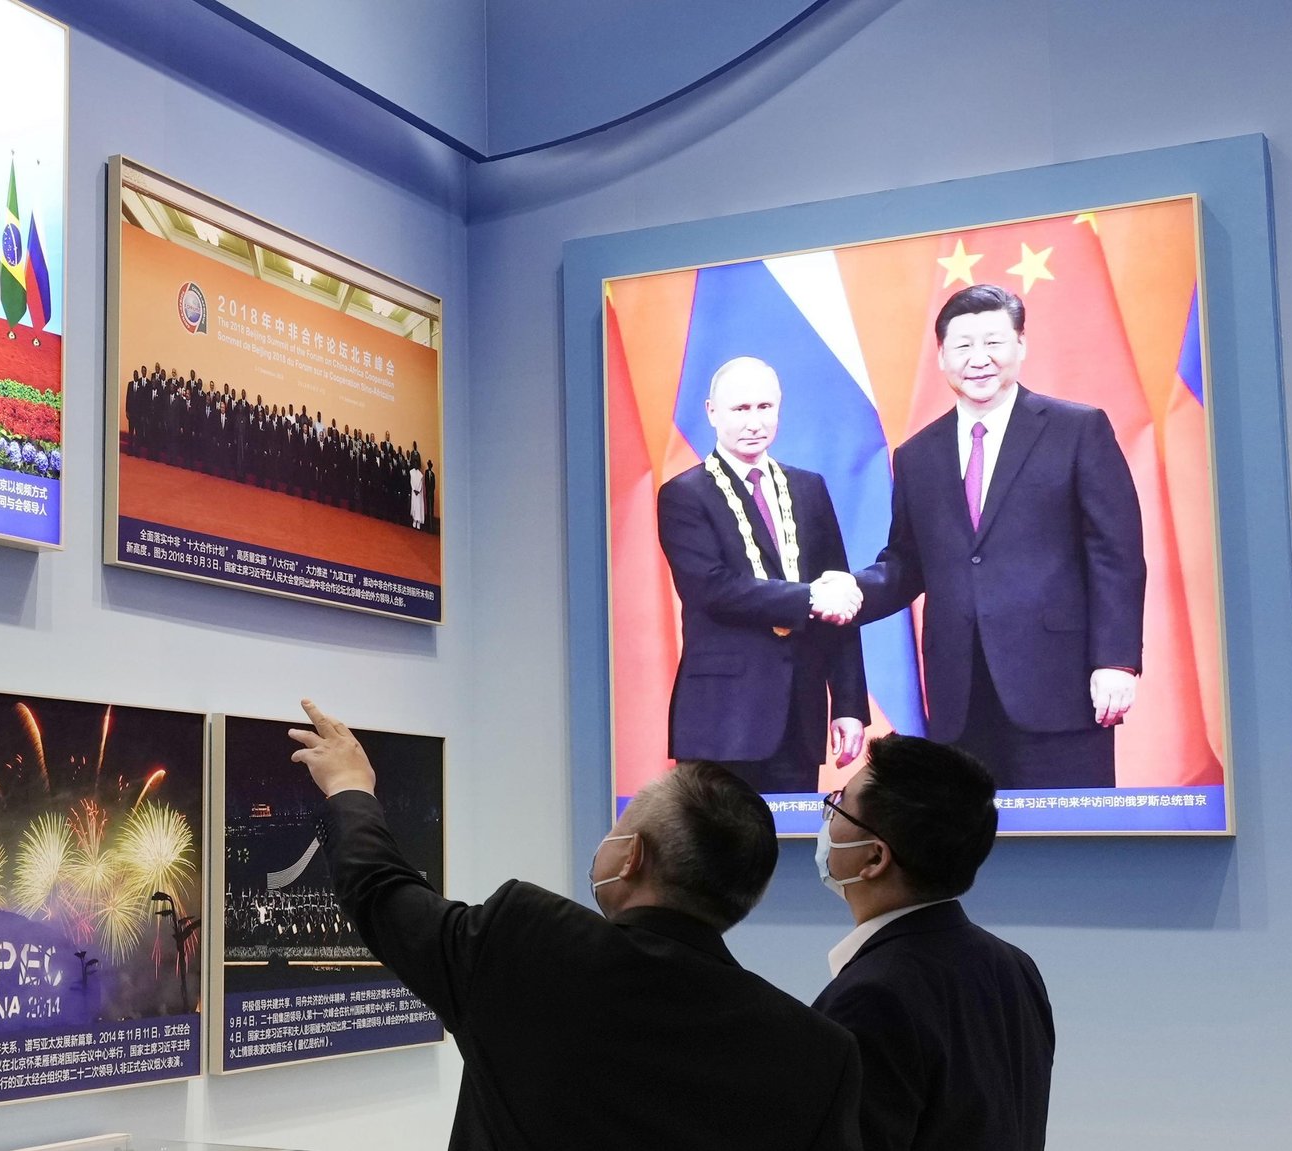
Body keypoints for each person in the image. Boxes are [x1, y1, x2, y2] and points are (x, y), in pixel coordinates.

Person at [288, 699, 862, 1150]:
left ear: (631, 855)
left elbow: (383, 893)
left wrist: (350, 790)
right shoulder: (817, 1053)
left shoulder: (532, 944)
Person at [825, 285, 1146, 788]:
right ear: (941, 356)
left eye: (994, 342)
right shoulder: (916, 455)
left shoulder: (1077, 429)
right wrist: (850, 592)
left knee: (1070, 843)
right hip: (960, 696)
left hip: (1059, 687)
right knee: (969, 849)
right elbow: (907, 562)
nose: (979, 359)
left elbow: (1117, 556)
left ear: (1021, 345)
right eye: (963, 345)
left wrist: (1116, 661)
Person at [813, 734, 1054, 1149]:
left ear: (874, 857)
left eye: (836, 806)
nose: (826, 822)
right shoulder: (1015, 965)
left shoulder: (871, 996)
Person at [656, 357, 869, 794]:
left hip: (799, 716)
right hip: (721, 721)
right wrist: (810, 598)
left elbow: (839, 599)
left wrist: (848, 704)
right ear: (712, 412)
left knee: (793, 854)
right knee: (719, 856)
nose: (755, 421)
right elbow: (712, 589)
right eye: (741, 409)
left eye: (765, 407)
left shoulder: (809, 489)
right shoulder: (683, 494)